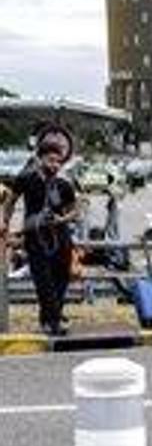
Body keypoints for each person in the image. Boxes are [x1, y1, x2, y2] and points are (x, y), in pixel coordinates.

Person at [0, 124, 79, 336]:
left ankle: (49, 319)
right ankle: (54, 322)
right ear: (40, 158)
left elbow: (74, 211)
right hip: (35, 236)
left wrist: (61, 219)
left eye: (58, 161)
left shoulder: (64, 184)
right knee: (43, 280)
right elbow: (10, 200)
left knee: (61, 279)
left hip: (60, 237)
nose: (54, 165)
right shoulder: (27, 177)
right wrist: (5, 222)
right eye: (50, 160)